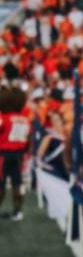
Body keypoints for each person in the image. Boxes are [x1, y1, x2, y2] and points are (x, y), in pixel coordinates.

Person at [0, 86, 31, 221]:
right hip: (19, 155)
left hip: (2, 154)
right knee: (17, 184)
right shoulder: (24, 119)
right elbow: (28, 139)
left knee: (0, 184)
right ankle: (18, 212)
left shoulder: (3, 117)